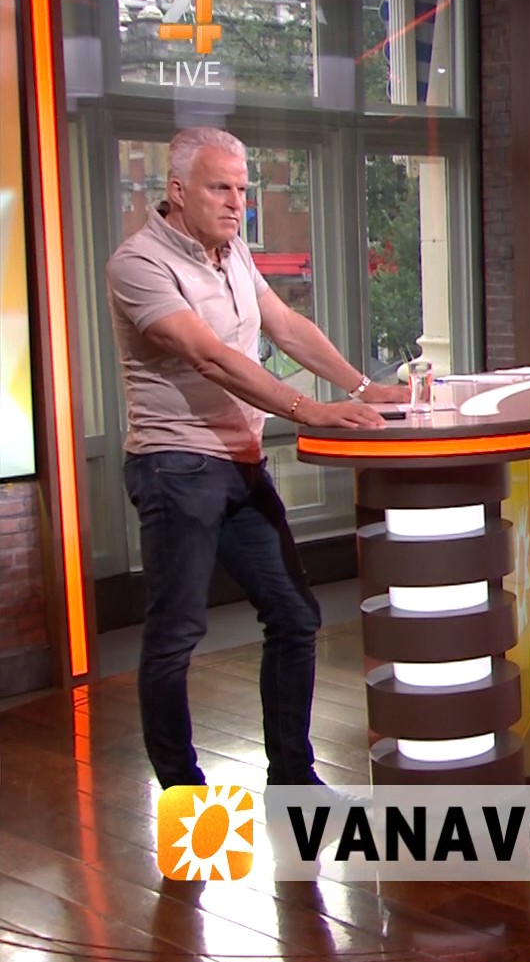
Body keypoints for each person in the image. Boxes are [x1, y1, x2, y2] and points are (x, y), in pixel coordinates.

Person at [105, 127, 404, 788]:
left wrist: (362, 387)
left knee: (295, 616)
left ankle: (293, 781)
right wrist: (309, 410)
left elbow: (286, 326)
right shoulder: (139, 264)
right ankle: (185, 797)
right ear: (178, 190)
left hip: (240, 463)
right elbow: (210, 356)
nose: (236, 202)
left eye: (242, 189)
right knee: (177, 633)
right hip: (175, 465)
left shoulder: (234, 250)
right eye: (221, 188)